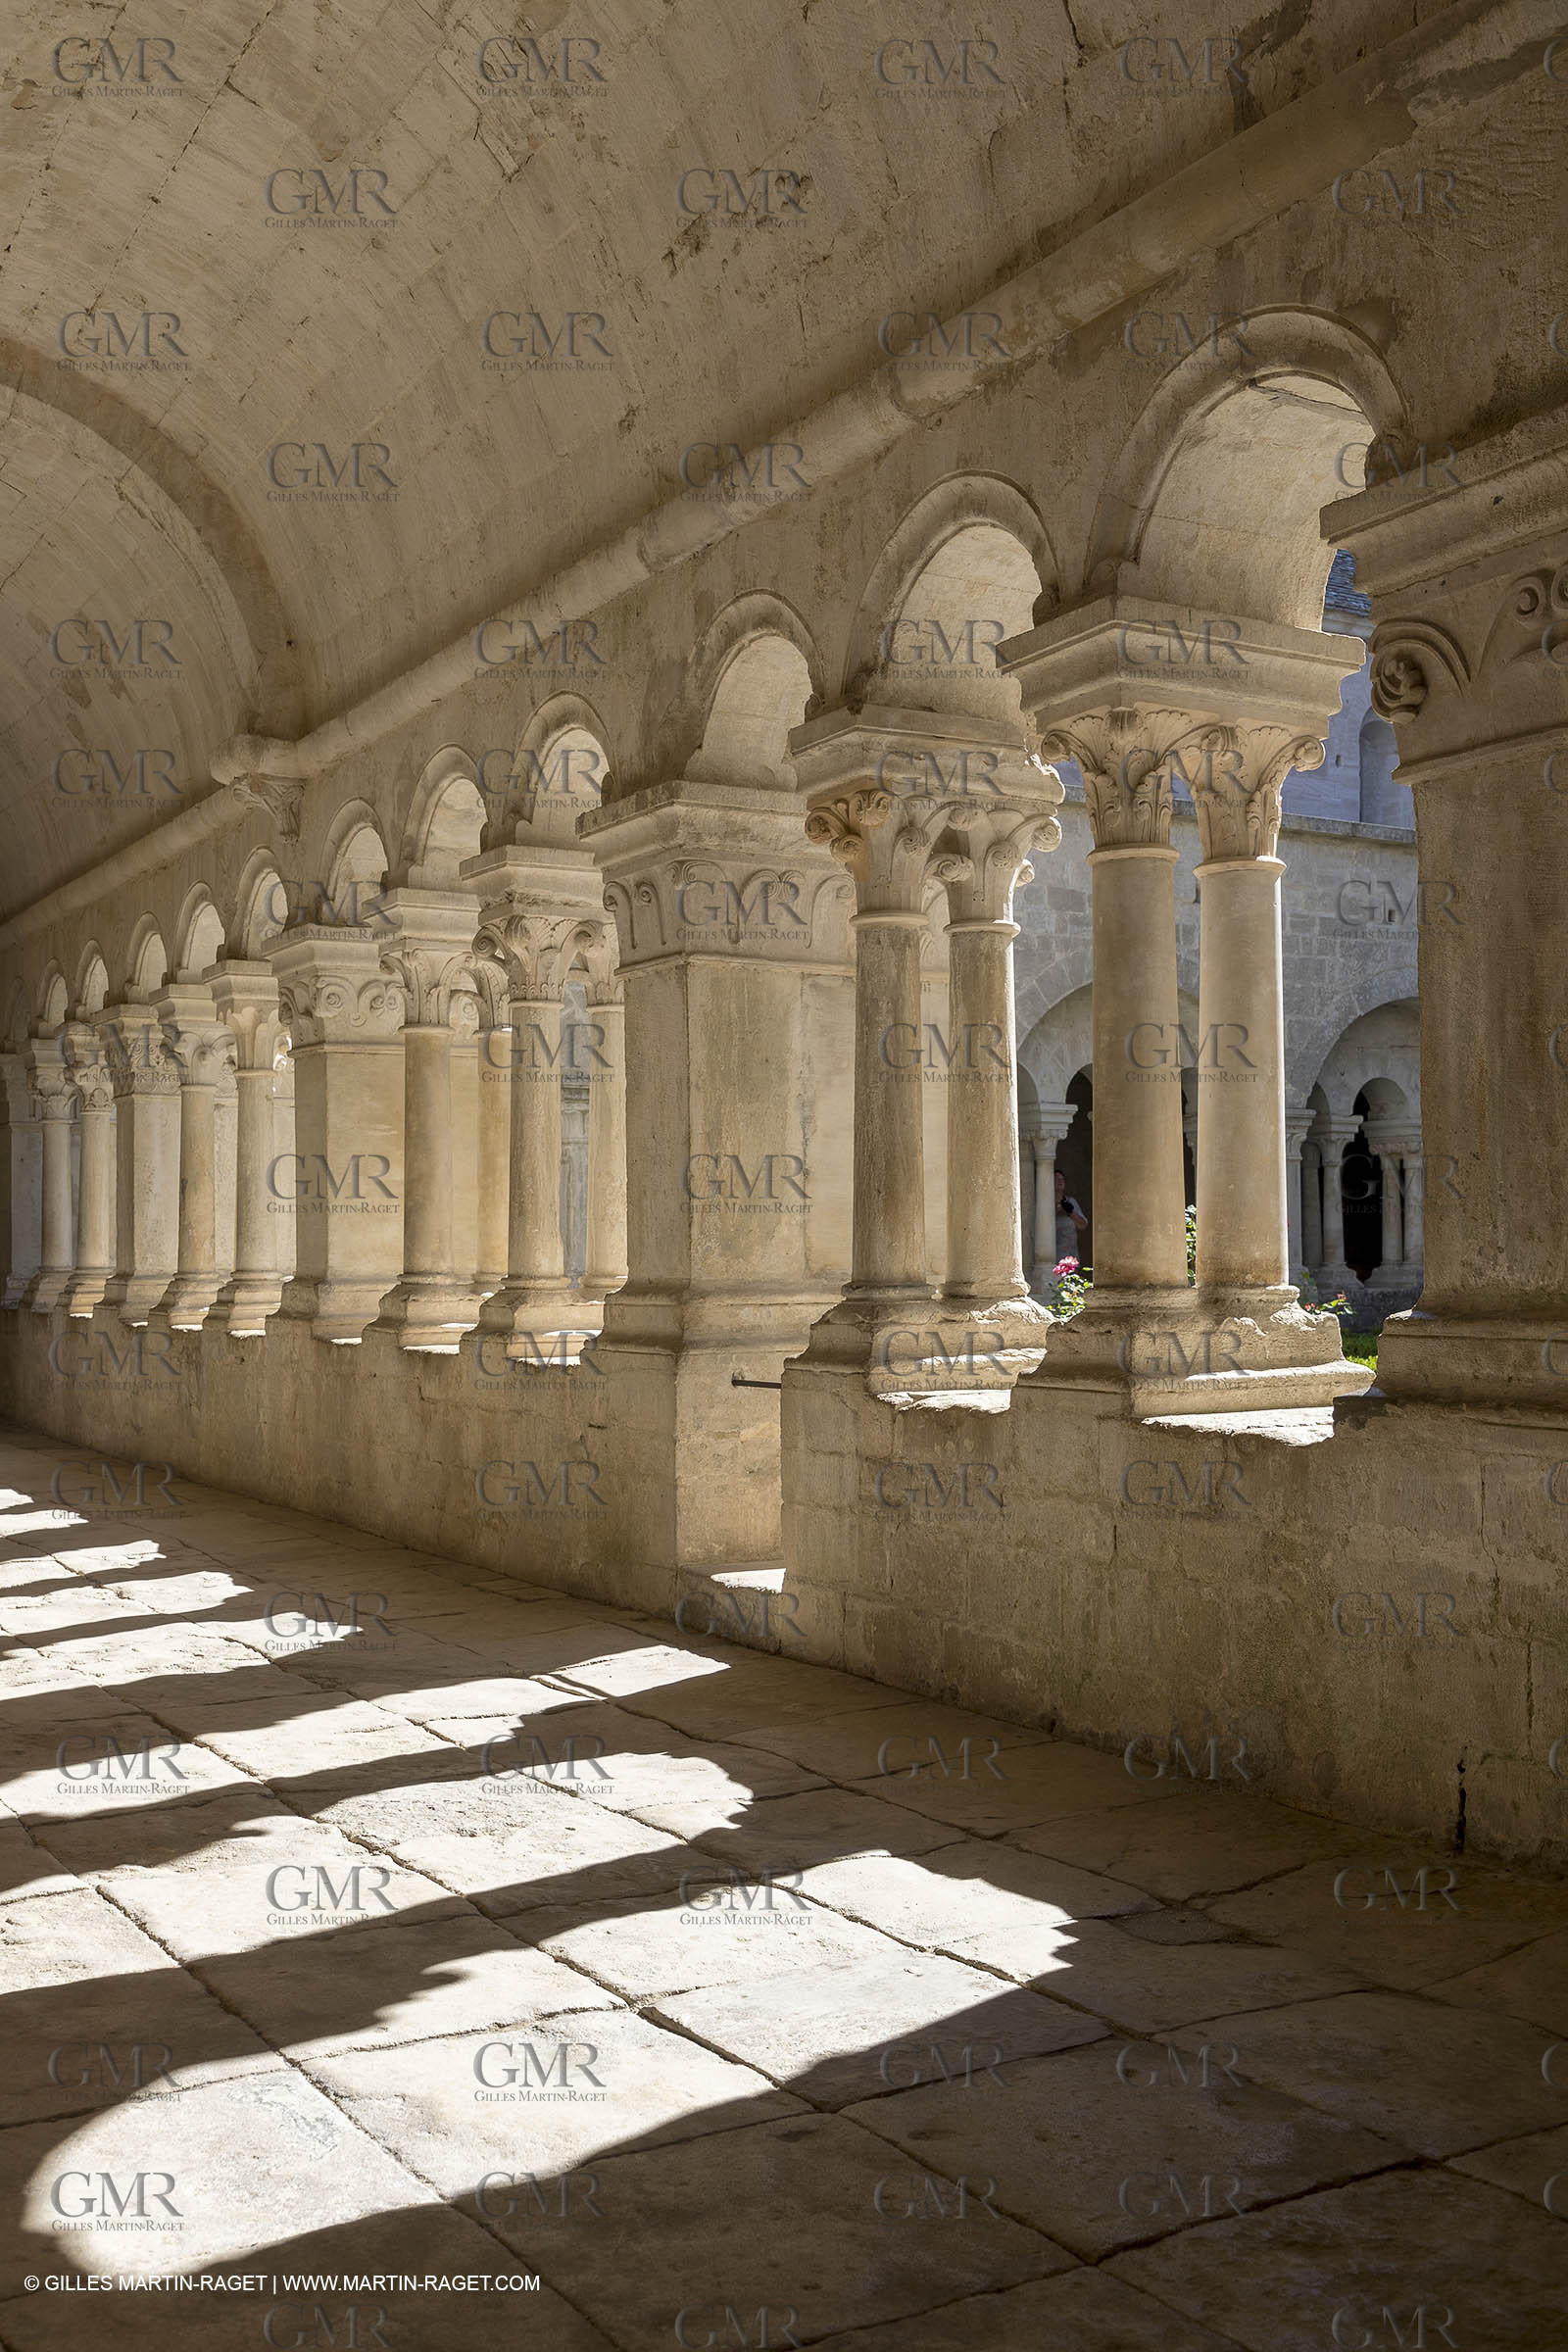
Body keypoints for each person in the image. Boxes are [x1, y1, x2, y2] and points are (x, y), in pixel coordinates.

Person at [1054, 1168, 1088, 1264]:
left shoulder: (1070, 1201)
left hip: (1069, 1255)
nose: (1060, 1181)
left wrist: (1070, 1212)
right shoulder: (1045, 1203)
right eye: (1057, 1179)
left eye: (1062, 1179)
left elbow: (1083, 1224)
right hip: (1051, 1255)